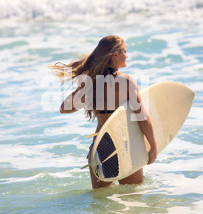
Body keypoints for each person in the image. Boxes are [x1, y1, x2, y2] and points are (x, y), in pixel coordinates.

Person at [49, 35, 157, 189]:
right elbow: (143, 118)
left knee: (101, 203)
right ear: (115, 55)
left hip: (99, 147)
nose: (127, 55)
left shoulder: (92, 83)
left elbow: (64, 108)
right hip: (123, 147)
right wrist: (153, 147)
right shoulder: (127, 81)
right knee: (132, 199)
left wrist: (82, 88)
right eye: (124, 51)